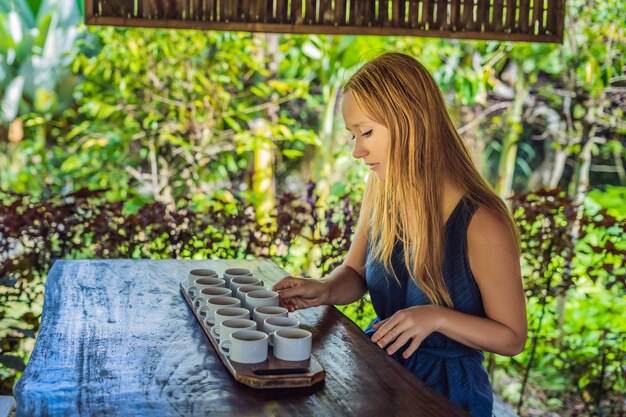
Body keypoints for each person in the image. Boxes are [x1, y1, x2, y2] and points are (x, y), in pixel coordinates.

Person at [271, 52, 527, 417]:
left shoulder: (482, 220)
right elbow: (356, 273)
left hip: (447, 395)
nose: (357, 150)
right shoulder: (381, 188)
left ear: (410, 120)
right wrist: (325, 289)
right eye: (353, 135)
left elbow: (512, 336)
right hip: (377, 373)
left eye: (367, 132)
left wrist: (436, 317)